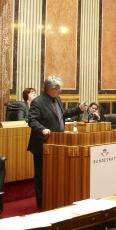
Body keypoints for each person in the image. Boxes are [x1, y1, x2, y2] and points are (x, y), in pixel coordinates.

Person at [27, 76, 82, 209]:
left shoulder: (57, 99)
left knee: (55, 174)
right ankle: (41, 203)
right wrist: (42, 129)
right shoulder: (37, 102)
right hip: (43, 144)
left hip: (58, 143)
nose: (60, 90)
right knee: (41, 175)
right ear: (50, 89)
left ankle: (54, 198)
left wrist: (78, 109)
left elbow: (62, 115)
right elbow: (32, 120)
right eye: (58, 88)